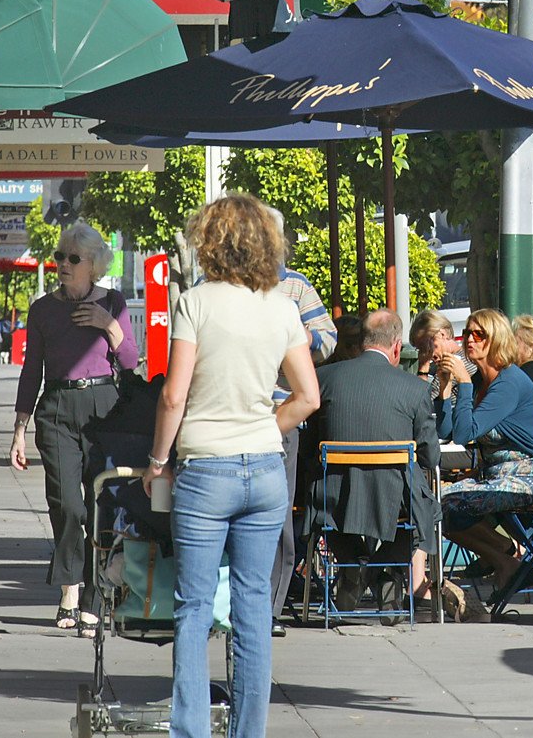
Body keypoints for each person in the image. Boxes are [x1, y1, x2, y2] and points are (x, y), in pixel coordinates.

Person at [142, 195, 320, 738]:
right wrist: (267, 426)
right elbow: (307, 396)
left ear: (210, 242)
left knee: (193, 609)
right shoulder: (282, 307)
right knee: (252, 609)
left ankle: (192, 731)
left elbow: (174, 396)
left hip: (205, 470)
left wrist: (156, 462)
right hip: (265, 470)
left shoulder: (196, 303)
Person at [8, 222, 139, 633]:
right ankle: (69, 586)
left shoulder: (114, 303)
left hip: (104, 408)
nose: (63, 264)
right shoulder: (44, 308)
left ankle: (93, 597)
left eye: (73, 259)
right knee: (68, 504)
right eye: (60, 257)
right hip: (58, 407)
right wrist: (19, 428)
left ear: (94, 267)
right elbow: (32, 371)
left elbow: (132, 361)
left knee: (100, 505)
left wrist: (107, 323)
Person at [308, 309, 441, 620]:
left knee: (327, 506)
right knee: (429, 511)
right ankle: (383, 570)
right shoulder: (415, 388)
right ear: (397, 347)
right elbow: (431, 457)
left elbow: (310, 446)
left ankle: (353, 566)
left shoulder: (324, 378)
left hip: (333, 494)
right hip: (395, 497)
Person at [262, 206, 338, 638]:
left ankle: (269, 606)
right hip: (233, 413)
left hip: (282, 414)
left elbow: (327, 338)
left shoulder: (295, 286)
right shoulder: (213, 287)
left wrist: (299, 343)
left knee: (277, 512)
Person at [436, 308, 533, 591]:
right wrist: (446, 389)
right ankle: (505, 557)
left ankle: (506, 558)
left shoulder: (509, 382)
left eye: (478, 334)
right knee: (433, 502)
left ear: (495, 340)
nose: (469, 340)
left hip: (529, 475)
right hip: (494, 475)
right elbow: (445, 432)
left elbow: (465, 432)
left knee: (443, 504)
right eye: (467, 334)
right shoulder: (480, 382)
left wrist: (461, 383)